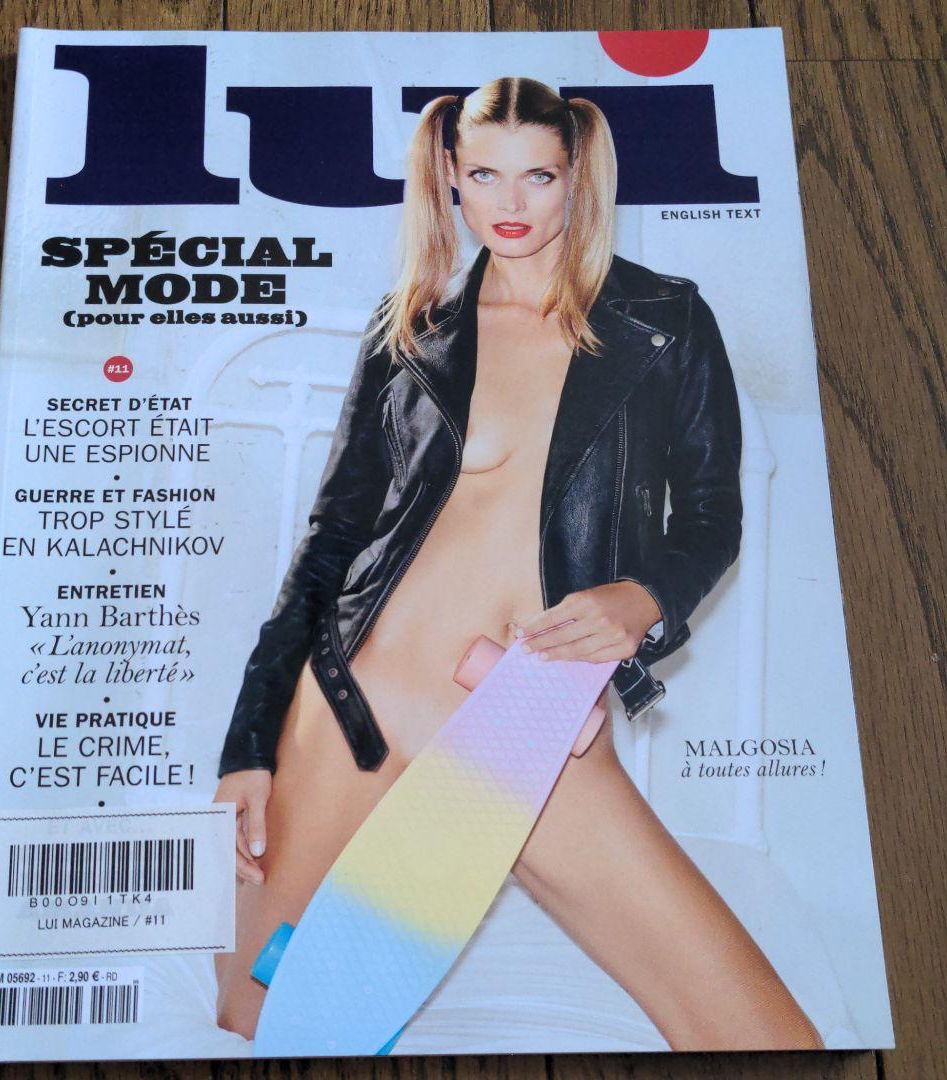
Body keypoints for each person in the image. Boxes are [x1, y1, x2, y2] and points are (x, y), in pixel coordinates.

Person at [212, 77, 824, 1051]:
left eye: (538, 175)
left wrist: (645, 598)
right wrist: (247, 743)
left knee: (760, 1033)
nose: (511, 202)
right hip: (356, 702)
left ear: (576, 175)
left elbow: (713, 516)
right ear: (450, 176)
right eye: (486, 175)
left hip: (526, 712)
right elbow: (330, 545)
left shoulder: (662, 321)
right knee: (254, 1017)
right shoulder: (409, 328)